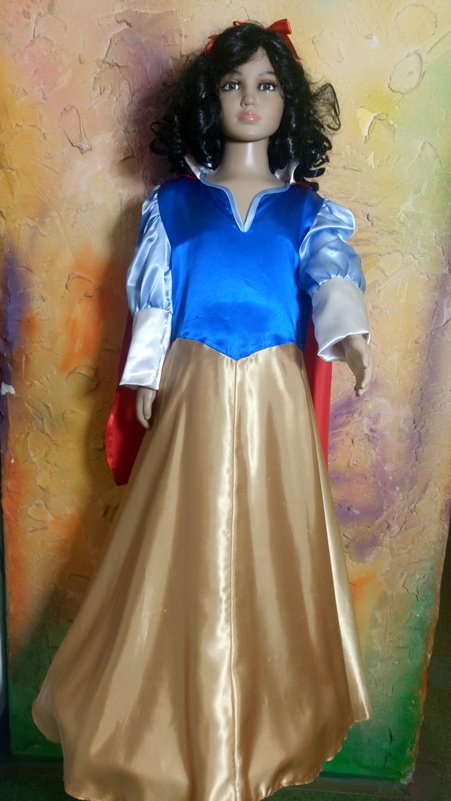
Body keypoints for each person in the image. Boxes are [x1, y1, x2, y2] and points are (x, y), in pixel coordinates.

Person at [33, 20, 372, 801]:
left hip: (274, 398)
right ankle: (164, 728)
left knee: (270, 550)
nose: (249, 99)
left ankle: (260, 726)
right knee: (182, 550)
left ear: (286, 103)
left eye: (265, 85)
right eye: (232, 84)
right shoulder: (173, 206)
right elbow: (154, 303)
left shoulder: (307, 214)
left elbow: (330, 280)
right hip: (192, 391)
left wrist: (350, 338)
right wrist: (142, 377)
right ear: (207, 98)